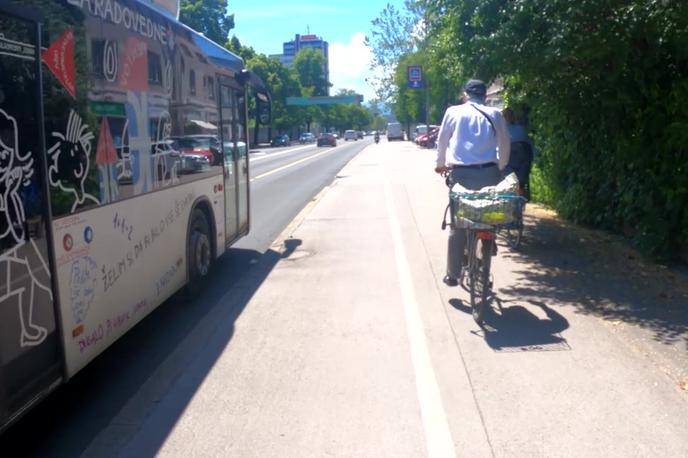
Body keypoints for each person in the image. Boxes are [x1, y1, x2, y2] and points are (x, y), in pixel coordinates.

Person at [435, 79, 511, 286]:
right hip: (490, 174)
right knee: (490, 214)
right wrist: (501, 166)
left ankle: (453, 274)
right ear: (485, 96)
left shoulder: (453, 112)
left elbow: (442, 141)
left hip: (462, 175)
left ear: (466, 94)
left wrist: (440, 164)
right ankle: (489, 241)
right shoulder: (495, 114)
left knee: (458, 226)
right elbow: (505, 143)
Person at [502, 107, 534, 200]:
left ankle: (512, 196)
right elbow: (530, 144)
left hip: (511, 158)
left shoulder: (502, 130)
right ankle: (521, 195)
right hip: (524, 157)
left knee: (509, 177)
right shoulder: (521, 129)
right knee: (521, 179)